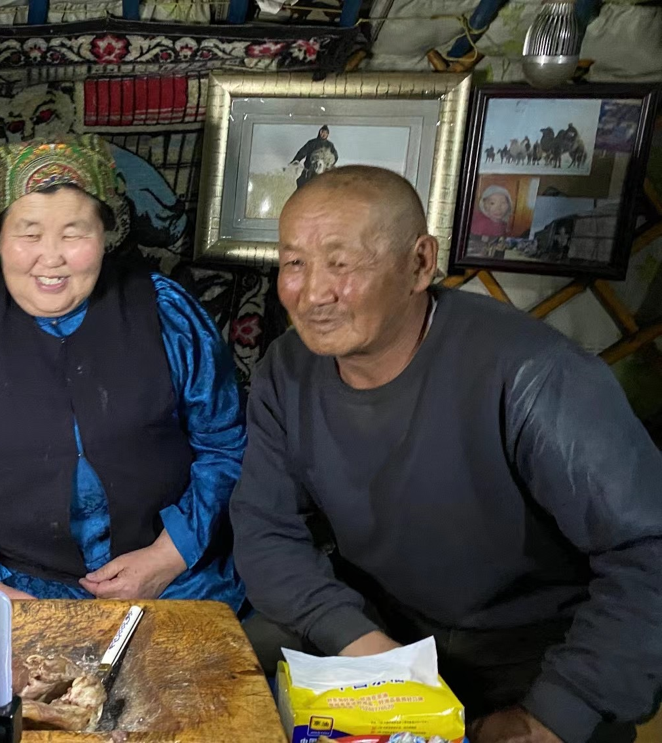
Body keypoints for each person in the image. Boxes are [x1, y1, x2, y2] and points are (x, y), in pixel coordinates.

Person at [230, 165, 662, 743]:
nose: (312, 295)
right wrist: (366, 650)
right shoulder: (287, 369)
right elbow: (264, 526)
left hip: (536, 654)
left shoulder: (532, 374)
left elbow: (648, 549)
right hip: (380, 627)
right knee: (212, 683)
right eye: (294, 264)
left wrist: (554, 714)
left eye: (341, 263)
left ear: (419, 264)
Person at [0, 135, 247, 607]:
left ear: (105, 235)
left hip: (174, 582)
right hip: (11, 586)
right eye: (29, 233)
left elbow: (225, 445)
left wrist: (169, 555)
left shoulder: (164, 313)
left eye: (75, 233)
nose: (52, 256)